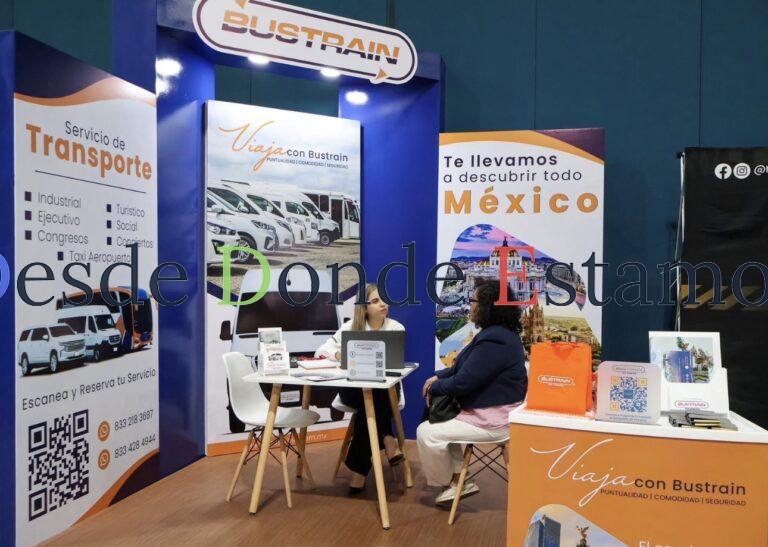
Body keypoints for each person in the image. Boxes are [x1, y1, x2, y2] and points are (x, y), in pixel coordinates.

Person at [417, 281, 527, 505]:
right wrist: (439, 376)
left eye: (473, 300)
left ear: (488, 306)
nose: (470, 305)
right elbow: (467, 368)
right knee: (440, 422)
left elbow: (464, 382)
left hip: (495, 421)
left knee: (426, 433)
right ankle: (458, 480)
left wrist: (433, 387)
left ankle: (451, 483)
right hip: (492, 412)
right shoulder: (500, 334)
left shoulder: (494, 340)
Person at [315, 283, 405, 494]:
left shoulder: (396, 328)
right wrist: (340, 354)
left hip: (386, 391)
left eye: (383, 299)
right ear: (364, 307)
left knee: (373, 397)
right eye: (375, 301)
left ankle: (359, 471)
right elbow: (321, 350)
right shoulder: (350, 328)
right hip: (353, 391)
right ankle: (388, 438)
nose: (383, 304)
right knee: (368, 397)